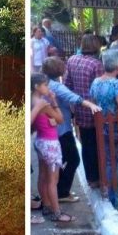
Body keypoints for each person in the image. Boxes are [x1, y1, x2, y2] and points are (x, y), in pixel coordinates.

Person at [42, 57, 102, 202]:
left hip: (51, 129)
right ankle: (62, 192)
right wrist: (91, 105)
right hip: (62, 130)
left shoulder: (45, 84)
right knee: (73, 159)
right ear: (58, 69)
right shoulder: (57, 87)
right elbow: (74, 98)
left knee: (58, 160)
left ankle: (57, 190)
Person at [89, 48, 118, 208]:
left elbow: (93, 101)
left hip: (103, 128)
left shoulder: (96, 82)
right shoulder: (117, 84)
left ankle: (108, 192)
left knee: (108, 161)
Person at [30, 73, 74, 223]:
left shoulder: (32, 100)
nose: (47, 88)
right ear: (37, 86)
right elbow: (60, 119)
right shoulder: (43, 104)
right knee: (52, 180)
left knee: (42, 176)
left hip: (40, 140)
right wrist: (54, 101)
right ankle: (57, 212)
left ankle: (47, 206)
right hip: (51, 143)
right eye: (45, 85)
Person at [65, 34, 105, 187]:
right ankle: (99, 177)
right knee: (97, 145)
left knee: (86, 144)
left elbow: (67, 85)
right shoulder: (96, 64)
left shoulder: (72, 60)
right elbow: (99, 90)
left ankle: (91, 178)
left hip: (79, 108)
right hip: (94, 110)